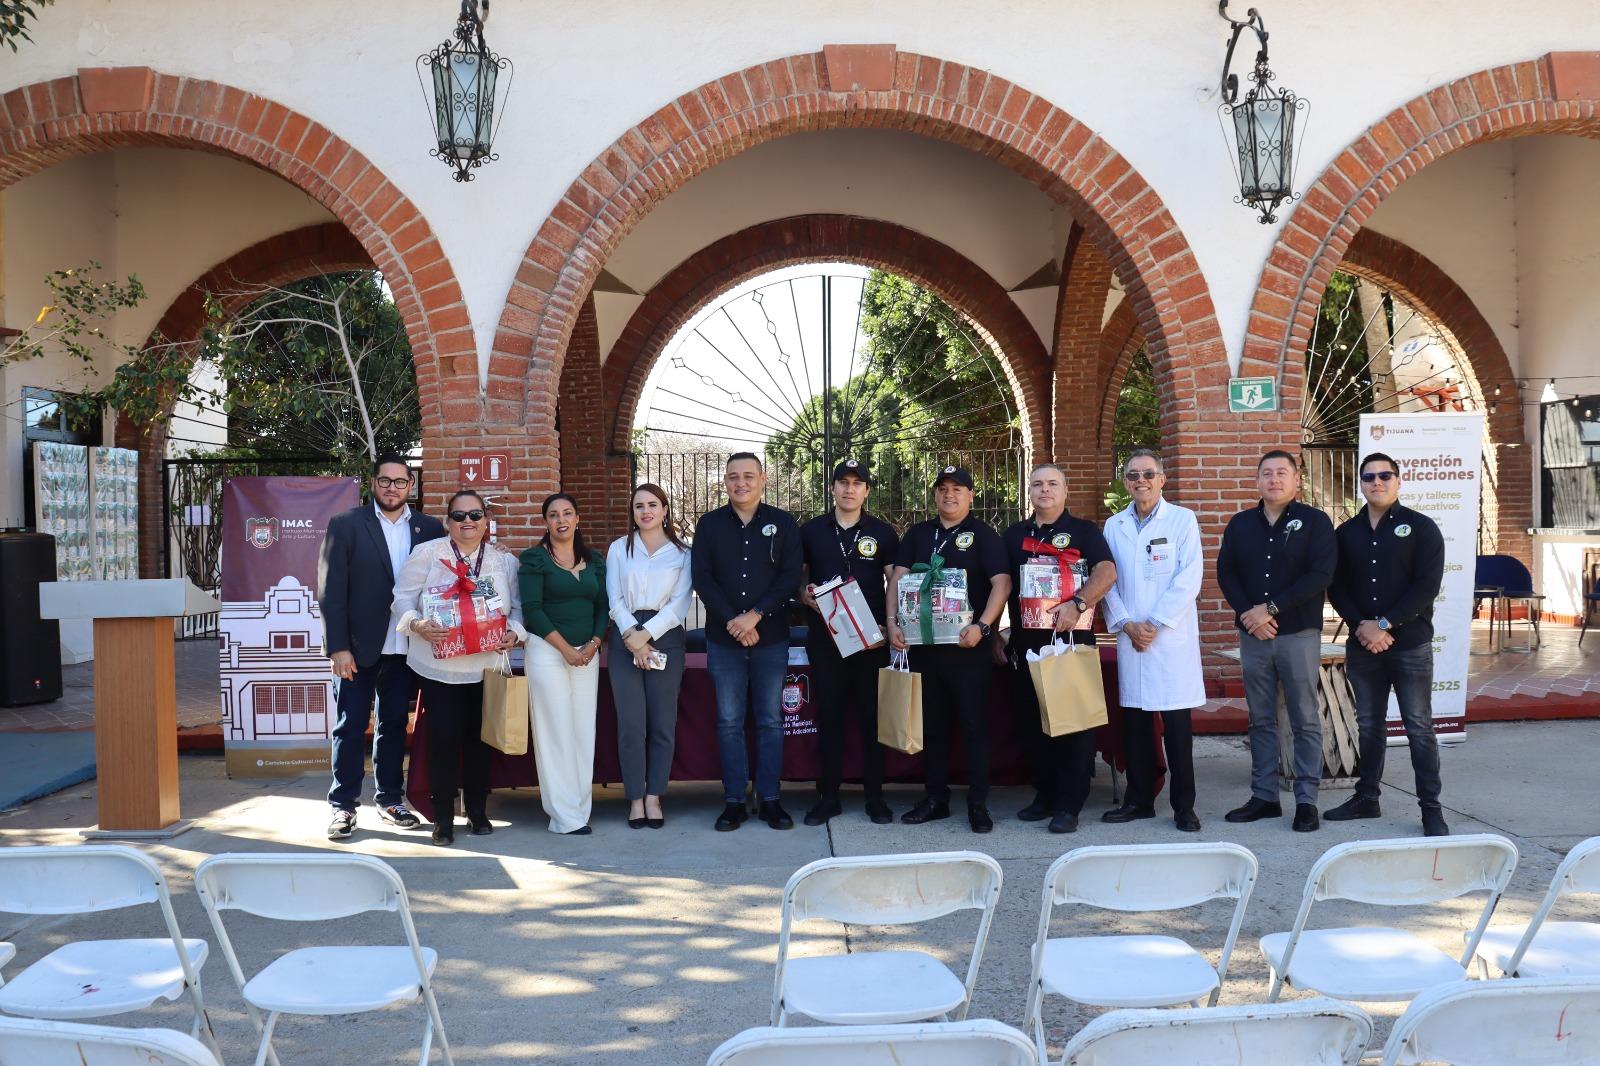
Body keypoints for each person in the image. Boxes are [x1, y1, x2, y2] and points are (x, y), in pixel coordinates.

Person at [318, 453, 443, 841]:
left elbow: (445, 578)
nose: (392, 488)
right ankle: (342, 806)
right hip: (357, 647)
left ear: (411, 486)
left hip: (408, 645)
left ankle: (390, 799)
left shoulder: (430, 529)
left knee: (393, 725)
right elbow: (331, 591)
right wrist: (337, 647)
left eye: (400, 482)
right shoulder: (346, 524)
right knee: (350, 725)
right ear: (373, 484)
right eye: (385, 481)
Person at [392, 489, 525, 846]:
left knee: (482, 742)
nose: (468, 522)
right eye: (459, 516)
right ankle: (444, 819)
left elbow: (518, 609)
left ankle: (478, 811)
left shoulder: (503, 561)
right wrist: (416, 624)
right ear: (447, 521)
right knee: (444, 742)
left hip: (486, 666)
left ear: (486, 520)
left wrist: (515, 633)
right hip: (440, 669)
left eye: (475, 515)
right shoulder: (427, 554)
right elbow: (401, 598)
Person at [1326, 453, 1449, 836]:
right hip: (1364, 645)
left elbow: (1426, 587)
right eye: (1369, 477)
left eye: (1385, 475)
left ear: (1398, 480)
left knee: (1418, 727)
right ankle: (1367, 799)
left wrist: (1383, 624)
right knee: (1369, 725)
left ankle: (1431, 809)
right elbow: (1336, 586)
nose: (1376, 482)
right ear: (1361, 484)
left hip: (1409, 644)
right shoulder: (1346, 533)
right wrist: (1363, 627)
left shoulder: (1422, 528)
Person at [1217, 449, 1336, 833]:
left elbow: (1320, 574)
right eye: (1267, 473)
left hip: (1297, 633)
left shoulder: (1315, 522)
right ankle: (1264, 796)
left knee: (1304, 717)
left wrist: (1270, 608)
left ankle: (1306, 800)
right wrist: (1249, 616)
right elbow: (1226, 574)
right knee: (1261, 719)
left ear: (1297, 479)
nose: (1274, 479)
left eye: (1282, 473)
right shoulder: (1240, 525)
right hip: (1254, 635)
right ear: (1257, 480)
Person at [888, 465, 1010, 833]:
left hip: (968, 649)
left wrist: (984, 627)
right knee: (933, 728)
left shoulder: (983, 535)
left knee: (974, 727)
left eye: (958, 489)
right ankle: (935, 799)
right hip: (924, 649)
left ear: (971, 495)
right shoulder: (918, 533)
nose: (949, 495)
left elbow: (1001, 584)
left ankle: (978, 804)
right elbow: (897, 578)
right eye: (942, 489)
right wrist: (893, 622)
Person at [1000, 463, 1116, 834]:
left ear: (1065, 492)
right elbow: (1001, 586)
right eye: (1037, 484)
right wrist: (994, 636)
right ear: (1029, 492)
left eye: (1052, 484)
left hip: (1069, 643)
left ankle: (1069, 804)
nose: (1044, 490)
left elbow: (1107, 573)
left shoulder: (1084, 531)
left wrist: (1079, 603)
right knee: (1033, 727)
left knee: (1073, 728)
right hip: (1026, 645)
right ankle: (1045, 796)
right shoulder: (1014, 535)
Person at [692, 453, 803, 832]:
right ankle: (735, 800)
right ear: (725, 481)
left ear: (763, 479)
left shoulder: (784, 523)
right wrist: (734, 622)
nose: (742, 483)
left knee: (771, 721)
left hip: (770, 637)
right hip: (723, 641)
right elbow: (703, 579)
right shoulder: (708, 526)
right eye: (734, 477)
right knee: (728, 722)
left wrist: (755, 615)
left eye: (749, 476)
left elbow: (789, 577)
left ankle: (770, 799)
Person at [1100, 449, 1205, 832]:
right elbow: (1107, 580)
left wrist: (1155, 624)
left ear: (1162, 479)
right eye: (1133, 475)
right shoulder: (1114, 526)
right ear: (1125, 482)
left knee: (1178, 730)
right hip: (1132, 639)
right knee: (1137, 729)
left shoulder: (1181, 520)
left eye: (1148, 474)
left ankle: (1184, 806)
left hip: (1169, 640)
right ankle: (1139, 800)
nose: (1140, 480)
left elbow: (1189, 577)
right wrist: (1127, 624)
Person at [797, 459, 900, 826]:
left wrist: (891, 626)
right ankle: (829, 797)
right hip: (827, 641)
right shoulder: (810, 531)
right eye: (843, 482)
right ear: (833, 488)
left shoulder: (883, 533)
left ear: (867, 491)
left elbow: (895, 584)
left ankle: (875, 796)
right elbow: (797, 578)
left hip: (871, 642)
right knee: (831, 718)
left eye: (857, 483)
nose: (849, 489)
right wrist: (803, 594)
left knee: (872, 718)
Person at [519, 493, 608, 835]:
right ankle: (563, 816)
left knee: (583, 730)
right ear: (546, 522)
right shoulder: (534, 559)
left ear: (577, 518)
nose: (561, 520)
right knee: (555, 731)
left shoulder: (595, 560)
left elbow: (604, 606)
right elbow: (533, 610)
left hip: (588, 652)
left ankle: (580, 809)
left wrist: (594, 643)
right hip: (548, 653)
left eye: (568, 513)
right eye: (553, 514)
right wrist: (566, 650)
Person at [606, 484, 692, 830]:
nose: (646, 511)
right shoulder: (619, 549)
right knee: (630, 724)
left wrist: (648, 636)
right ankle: (635, 798)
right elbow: (613, 598)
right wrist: (635, 638)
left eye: (652, 505)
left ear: (665, 510)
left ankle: (654, 796)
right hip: (625, 636)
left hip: (666, 637)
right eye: (639, 506)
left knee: (661, 724)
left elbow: (681, 603)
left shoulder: (683, 552)